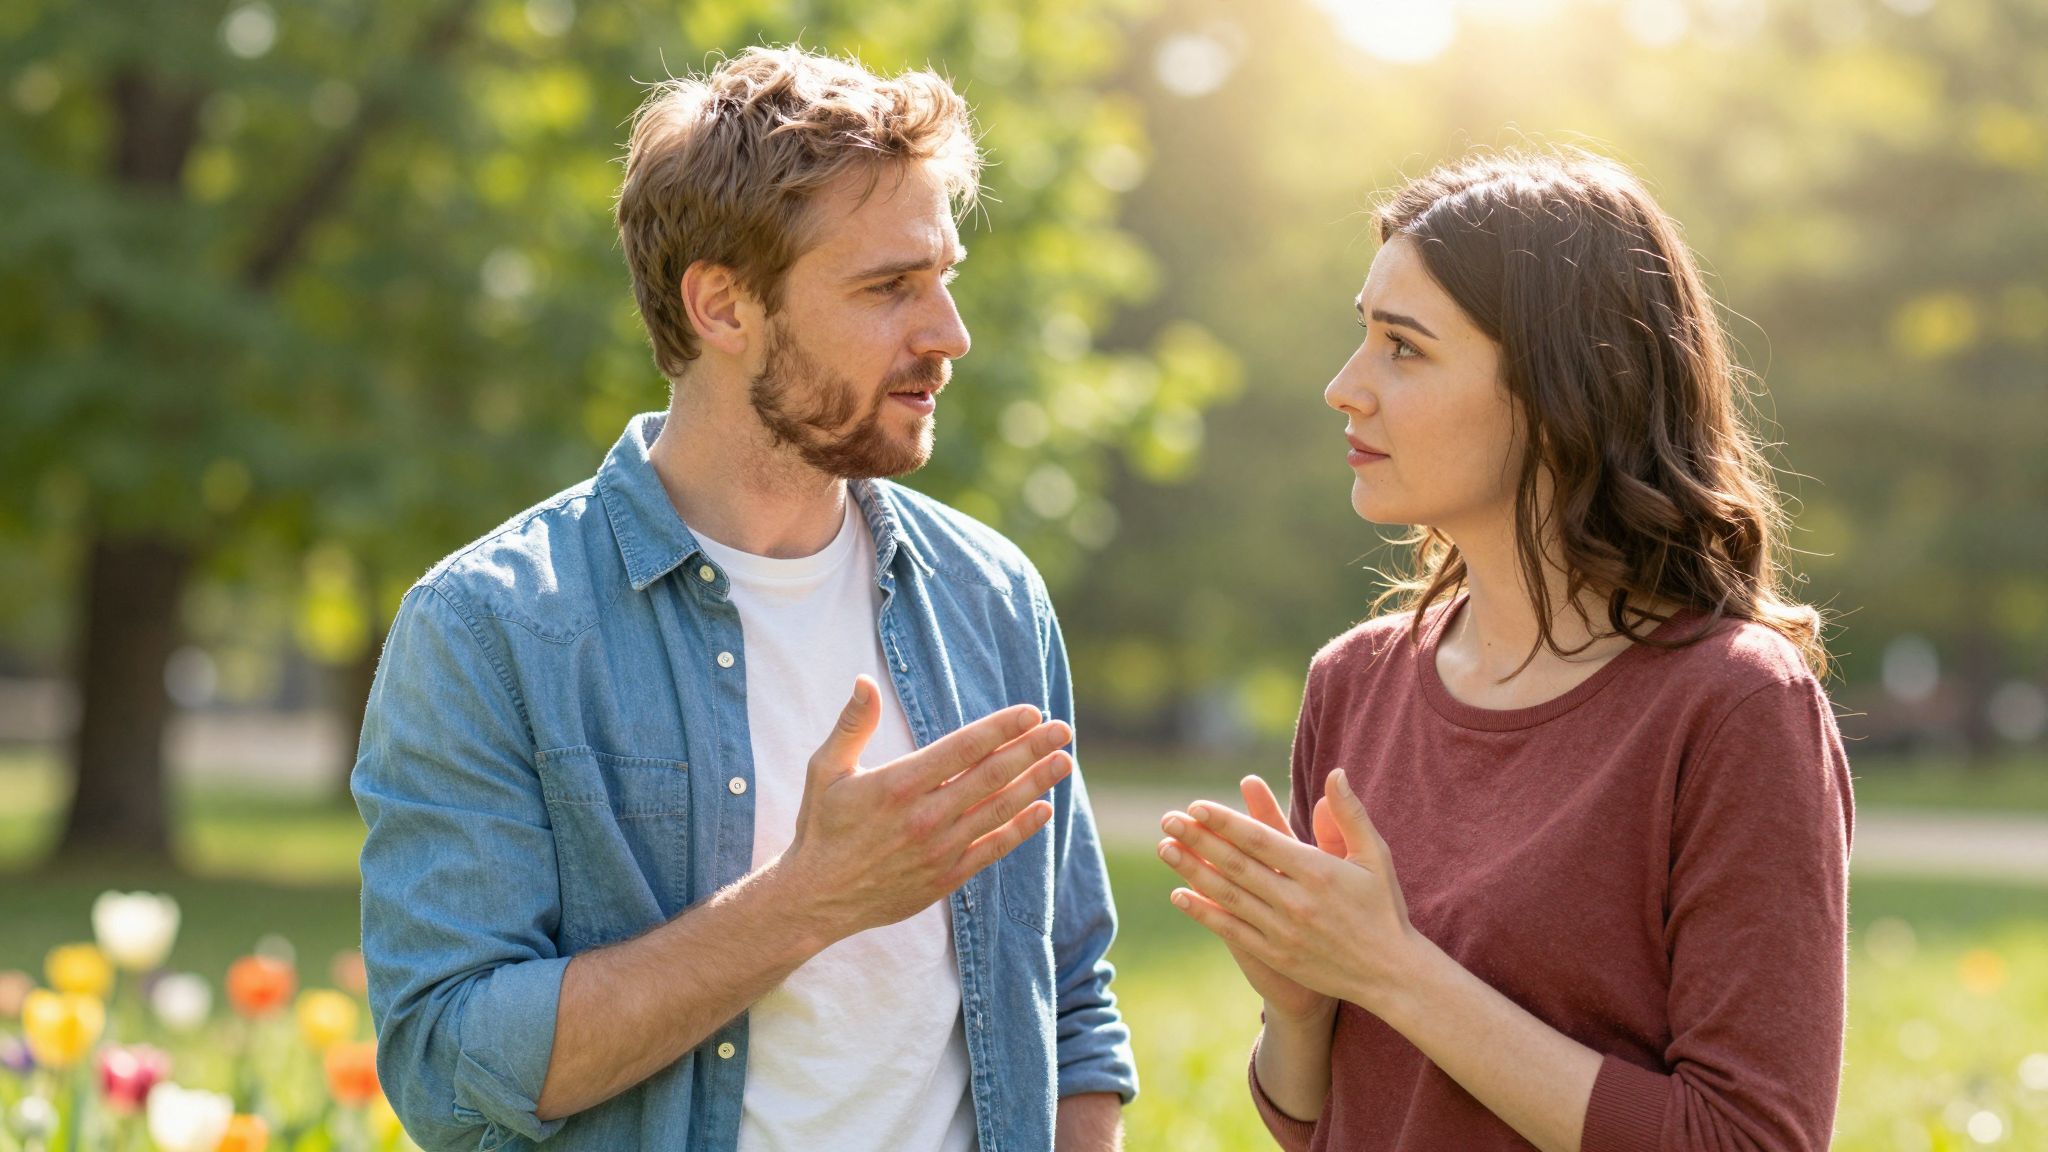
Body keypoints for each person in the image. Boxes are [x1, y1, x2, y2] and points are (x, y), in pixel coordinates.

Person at [353, 46, 1135, 1152]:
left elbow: (1069, 1005)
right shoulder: (490, 628)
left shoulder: (991, 596)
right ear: (722, 305)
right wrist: (809, 897)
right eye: (887, 287)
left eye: (944, 276)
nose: (948, 333)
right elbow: (448, 1063)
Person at [1155, 149, 1852, 1152]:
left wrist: (1391, 970)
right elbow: (1327, 1123)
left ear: (1558, 386)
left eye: (1402, 348)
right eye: (1362, 337)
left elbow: (1748, 1139)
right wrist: (1302, 1008)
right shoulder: (1350, 683)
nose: (1343, 388)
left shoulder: (1732, 706)